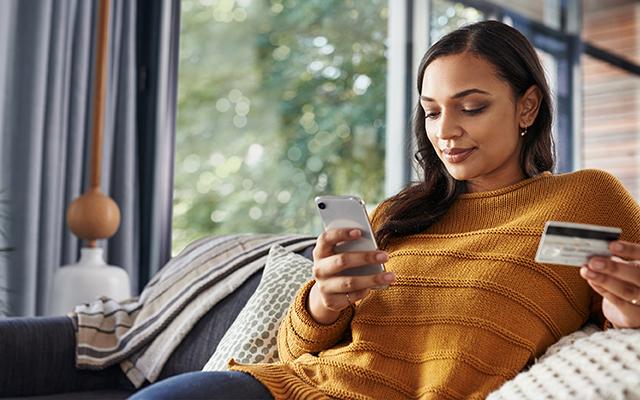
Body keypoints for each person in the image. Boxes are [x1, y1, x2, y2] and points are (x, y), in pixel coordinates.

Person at [130, 20, 640, 400]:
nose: (445, 131)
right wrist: (324, 301)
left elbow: (624, 317)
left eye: (472, 106)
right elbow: (294, 354)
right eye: (433, 111)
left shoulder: (588, 197)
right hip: (293, 389)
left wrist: (625, 315)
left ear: (527, 107)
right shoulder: (401, 212)